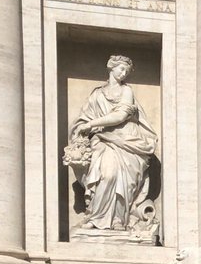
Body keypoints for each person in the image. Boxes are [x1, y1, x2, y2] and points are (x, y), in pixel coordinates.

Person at [67, 55, 158, 235]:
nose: (123, 73)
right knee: (107, 175)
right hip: (102, 140)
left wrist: (91, 124)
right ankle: (96, 217)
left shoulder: (127, 92)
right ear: (111, 68)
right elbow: (83, 118)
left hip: (127, 141)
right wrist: (84, 127)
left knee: (123, 180)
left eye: (127, 71)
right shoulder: (97, 94)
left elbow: (120, 116)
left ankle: (119, 219)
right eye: (121, 69)